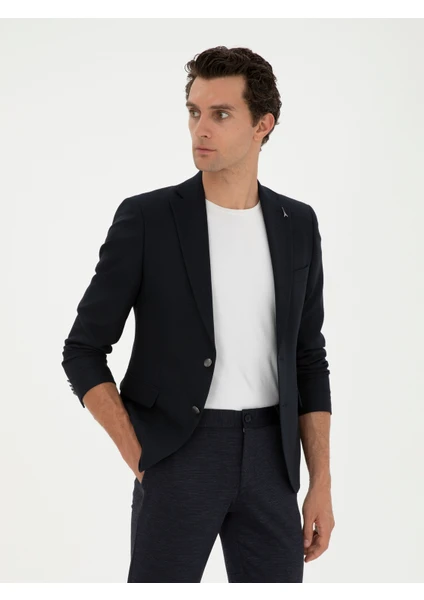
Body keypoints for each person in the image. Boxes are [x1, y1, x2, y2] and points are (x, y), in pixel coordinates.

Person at [62, 45, 335, 583]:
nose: (200, 129)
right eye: (194, 111)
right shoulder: (148, 219)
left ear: (262, 125)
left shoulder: (297, 223)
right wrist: (141, 456)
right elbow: (83, 350)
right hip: (178, 454)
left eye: (221, 114)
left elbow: (309, 356)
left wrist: (320, 481)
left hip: (273, 460)